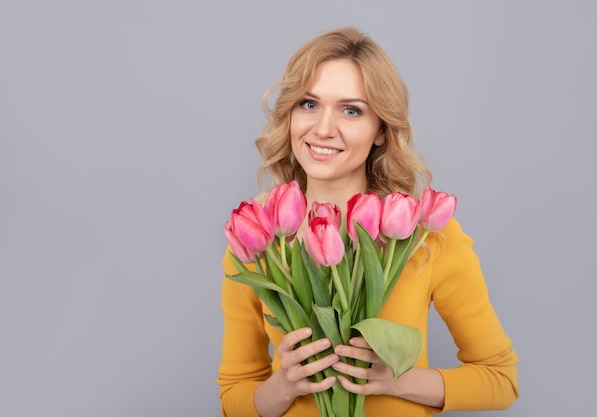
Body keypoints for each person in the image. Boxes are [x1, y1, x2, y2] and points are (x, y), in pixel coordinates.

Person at [217, 27, 519, 417]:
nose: (323, 128)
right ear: (289, 114)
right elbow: (234, 397)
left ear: (380, 131)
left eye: (351, 110)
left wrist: (398, 380)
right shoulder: (257, 236)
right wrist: (283, 386)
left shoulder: (425, 235)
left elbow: (501, 380)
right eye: (308, 104)